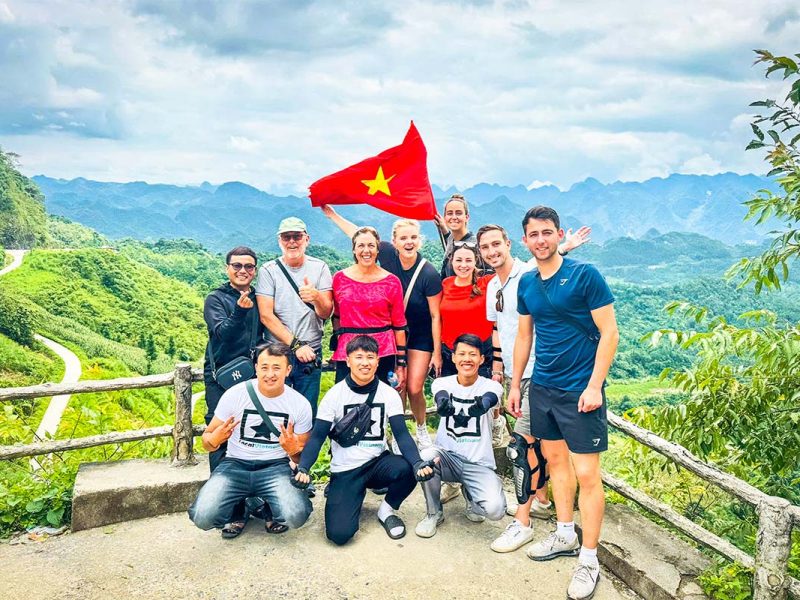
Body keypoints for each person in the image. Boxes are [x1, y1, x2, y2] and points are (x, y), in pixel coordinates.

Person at [509, 206, 618, 600]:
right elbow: (525, 337)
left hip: (580, 391)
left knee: (588, 474)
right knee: (556, 464)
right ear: (525, 240)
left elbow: (609, 333)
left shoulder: (585, 276)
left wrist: (594, 386)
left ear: (559, 235)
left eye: (547, 232)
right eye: (534, 234)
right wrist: (517, 384)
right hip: (543, 387)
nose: (541, 240)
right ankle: (564, 533)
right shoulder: (527, 284)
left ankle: (589, 560)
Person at [477, 223, 590, 553]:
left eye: (497, 244)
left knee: (521, 447)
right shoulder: (492, 287)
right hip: (516, 375)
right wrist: (500, 371)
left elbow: (549, 260)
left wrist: (565, 245)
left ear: (510, 243)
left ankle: (523, 523)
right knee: (540, 447)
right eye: (486, 247)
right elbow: (499, 329)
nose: (492, 251)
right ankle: (541, 501)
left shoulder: (527, 274)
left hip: (542, 373)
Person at [292, 335, 435, 544]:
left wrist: (417, 463)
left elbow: (402, 434)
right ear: (347, 360)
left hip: (377, 462)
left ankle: (387, 511)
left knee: (406, 468)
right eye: (358, 357)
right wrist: (304, 468)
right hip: (346, 469)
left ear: (378, 361)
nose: (365, 363)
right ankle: (347, 496)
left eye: (370, 357)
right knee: (339, 535)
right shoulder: (334, 396)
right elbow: (317, 438)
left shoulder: (388, 394)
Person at [321, 205, 442, 447]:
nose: (409, 242)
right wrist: (332, 214)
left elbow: (430, 316)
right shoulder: (357, 269)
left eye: (413, 237)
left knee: (406, 388)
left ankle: (406, 434)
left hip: (406, 339)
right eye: (403, 238)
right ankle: (361, 442)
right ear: (393, 243)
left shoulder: (423, 273)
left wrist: (411, 359)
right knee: (359, 394)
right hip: (364, 341)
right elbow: (358, 234)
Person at [188, 343, 313, 536]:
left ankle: (269, 507)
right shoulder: (235, 395)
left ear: (288, 370)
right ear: (256, 368)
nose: (269, 374)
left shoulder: (299, 404)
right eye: (264, 367)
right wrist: (216, 438)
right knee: (202, 517)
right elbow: (206, 442)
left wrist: (293, 450)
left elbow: (301, 459)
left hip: (275, 466)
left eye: (276, 368)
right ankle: (244, 507)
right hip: (235, 464)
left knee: (295, 515)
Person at [414, 334, 507, 538]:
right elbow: (441, 395)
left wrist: (481, 406)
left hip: (478, 463)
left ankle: (471, 495)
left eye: (473, 354)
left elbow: (491, 398)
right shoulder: (443, 383)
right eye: (462, 354)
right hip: (448, 458)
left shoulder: (491, 385)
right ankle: (433, 513)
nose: (467, 359)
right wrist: (443, 404)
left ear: (482, 359)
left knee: (495, 510)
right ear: (454, 358)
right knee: (426, 456)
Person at [202, 245, 263, 537]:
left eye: (249, 266)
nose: (243, 271)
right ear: (227, 268)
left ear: (255, 270)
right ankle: (230, 510)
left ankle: (258, 498)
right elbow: (221, 335)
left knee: (253, 433)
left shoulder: (258, 297)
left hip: (251, 375)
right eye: (237, 266)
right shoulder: (216, 298)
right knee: (221, 436)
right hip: (220, 377)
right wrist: (240, 311)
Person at [255, 217, 334, 417]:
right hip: (277, 353)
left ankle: (304, 450)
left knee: (306, 413)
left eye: (297, 236)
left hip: (311, 353)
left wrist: (316, 297)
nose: (292, 241)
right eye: (286, 237)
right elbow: (266, 315)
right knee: (275, 412)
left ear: (306, 239)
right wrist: (297, 346)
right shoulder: (268, 271)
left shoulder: (320, 268)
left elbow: (326, 312)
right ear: (279, 241)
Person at [331, 226, 407, 388]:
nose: (366, 250)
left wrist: (401, 364)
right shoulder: (339, 278)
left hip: (383, 351)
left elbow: (399, 325)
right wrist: (339, 338)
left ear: (378, 249)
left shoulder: (391, 281)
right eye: (361, 246)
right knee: (346, 401)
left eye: (371, 246)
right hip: (348, 351)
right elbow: (336, 316)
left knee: (381, 402)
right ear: (354, 249)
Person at [434, 193, 477, 279]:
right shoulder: (452, 239)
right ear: (445, 217)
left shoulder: (474, 246)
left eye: (458, 213)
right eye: (450, 213)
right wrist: (443, 229)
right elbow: (451, 244)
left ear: (467, 217)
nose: (454, 217)